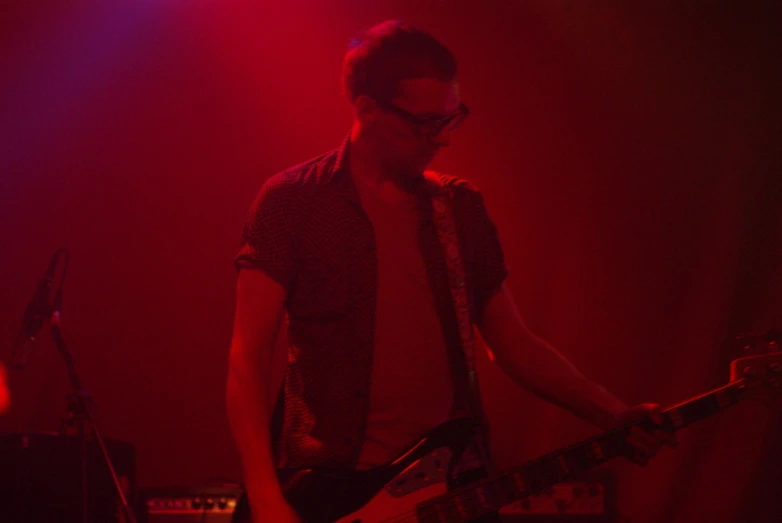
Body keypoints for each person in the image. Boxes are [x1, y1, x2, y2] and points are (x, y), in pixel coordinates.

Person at [226, 20, 674, 523]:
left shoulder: (458, 208)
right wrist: (265, 496)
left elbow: (513, 343)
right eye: (422, 124)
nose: (440, 139)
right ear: (366, 108)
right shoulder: (293, 203)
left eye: (449, 118)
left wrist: (611, 412)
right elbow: (248, 360)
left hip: (449, 486)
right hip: (329, 493)